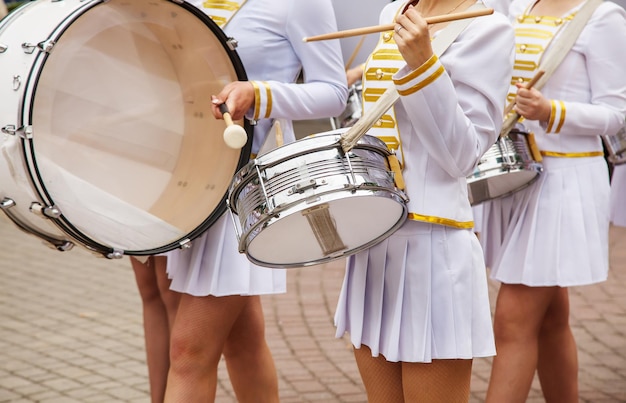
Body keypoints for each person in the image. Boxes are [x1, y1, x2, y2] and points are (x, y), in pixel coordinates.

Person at [161, 1, 348, 402]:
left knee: (189, 352)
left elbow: (334, 92)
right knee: (242, 341)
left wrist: (259, 94)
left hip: (234, 190)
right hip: (187, 182)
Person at [333, 0, 515, 401]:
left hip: (433, 245)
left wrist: (423, 65)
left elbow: (461, 155)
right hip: (374, 239)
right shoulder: (393, 13)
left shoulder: (488, 27)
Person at [480, 0, 626, 400]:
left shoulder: (603, 16)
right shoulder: (519, 4)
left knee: (513, 320)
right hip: (520, 175)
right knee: (549, 320)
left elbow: (617, 113)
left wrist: (551, 111)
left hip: (566, 182)